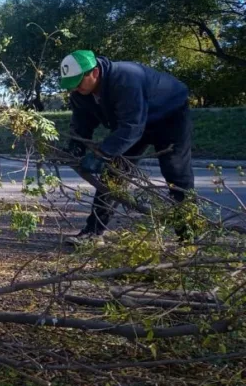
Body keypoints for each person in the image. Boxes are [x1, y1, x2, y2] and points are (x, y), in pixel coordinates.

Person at [59, 50, 194, 245]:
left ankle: (188, 236)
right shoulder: (80, 93)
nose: (75, 88)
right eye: (70, 84)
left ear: (95, 72)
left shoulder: (125, 79)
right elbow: (82, 121)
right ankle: (93, 233)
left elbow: (132, 127)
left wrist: (102, 153)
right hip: (132, 123)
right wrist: (76, 145)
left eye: (78, 82)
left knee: (176, 172)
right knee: (114, 175)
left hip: (170, 116)